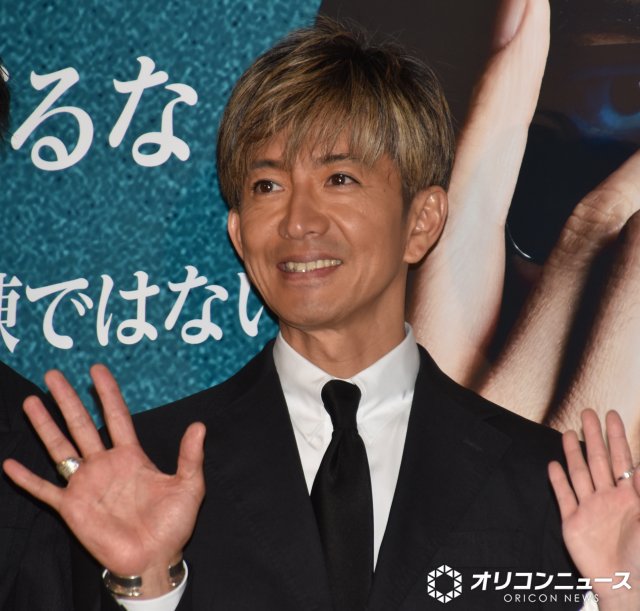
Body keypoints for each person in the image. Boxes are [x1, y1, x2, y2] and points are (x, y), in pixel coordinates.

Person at [1, 17, 622, 611]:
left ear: (422, 221)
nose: (298, 222)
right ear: (238, 234)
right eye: (267, 186)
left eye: (340, 178)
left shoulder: (550, 481)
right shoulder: (145, 470)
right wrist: (149, 587)